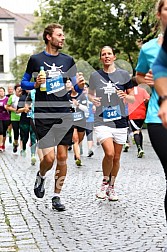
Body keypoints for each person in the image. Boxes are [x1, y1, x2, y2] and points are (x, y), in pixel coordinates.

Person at [21, 23, 85, 211]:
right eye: (59, 35)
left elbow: (76, 88)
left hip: (63, 112)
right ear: (49, 37)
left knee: (63, 156)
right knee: (49, 158)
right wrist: (35, 84)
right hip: (43, 113)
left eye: (63, 35)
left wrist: (80, 85)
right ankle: (41, 176)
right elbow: (24, 82)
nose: (63, 38)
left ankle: (56, 196)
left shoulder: (68, 60)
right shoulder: (35, 59)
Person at [88, 46, 134, 201]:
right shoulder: (95, 76)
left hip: (120, 120)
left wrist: (125, 97)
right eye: (103, 54)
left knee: (116, 158)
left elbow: (133, 98)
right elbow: (90, 94)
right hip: (102, 120)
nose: (106, 56)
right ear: (101, 58)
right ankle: (104, 182)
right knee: (109, 153)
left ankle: (112, 187)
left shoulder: (123, 75)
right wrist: (92, 99)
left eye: (109, 54)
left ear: (114, 57)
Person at [135, 0, 167, 221]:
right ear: (159, 14)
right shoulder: (148, 48)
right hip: (159, 117)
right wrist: (148, 80)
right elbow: (139, 75)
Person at [128, 81, 150, 158]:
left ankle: (139, 148)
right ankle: (141, 148)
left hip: (132, 113)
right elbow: (147, 98)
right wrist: (143, 103)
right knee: (139, 130)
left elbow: (124, 101)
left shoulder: (129, 91)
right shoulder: (142, 90)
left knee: (135, 131)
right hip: (142, 113)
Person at [6, 84, 22, 153]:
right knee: (16, 132)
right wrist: (14, 110)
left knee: (23, 133)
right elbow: (7, 106)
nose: (20, 90)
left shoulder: (24, 97)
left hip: (23, 118)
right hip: (14, 118)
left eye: (21, 89)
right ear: (15, 90)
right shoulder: (12, 97)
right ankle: (15, 144)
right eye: (18, 89)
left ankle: (22, 148)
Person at [0, 87, 10, 152]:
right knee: (0, 131)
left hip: (6, 117)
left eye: (2, 91)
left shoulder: (7, 99)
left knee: (4, 132)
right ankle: (0, 145)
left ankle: (3, 144)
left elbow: (9, 107)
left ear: (4, 92)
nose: (1, 92)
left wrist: (6, 107)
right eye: (0, 91)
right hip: (0, 117)